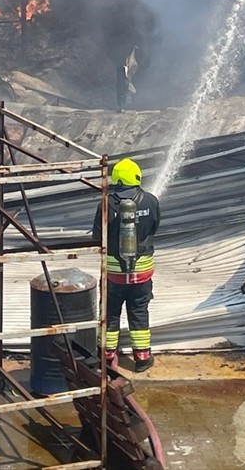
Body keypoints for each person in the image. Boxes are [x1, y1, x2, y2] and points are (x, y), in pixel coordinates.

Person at [91, 157, 161, 371]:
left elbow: (97, 237)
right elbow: (154, 228)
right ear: (137, 177)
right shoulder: (150, 201)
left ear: (116, 178)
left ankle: (106, 356)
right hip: (142, 272)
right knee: (139, 311)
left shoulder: (106, 203)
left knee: (110, 313)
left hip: (114, 274)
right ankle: (142, 358)